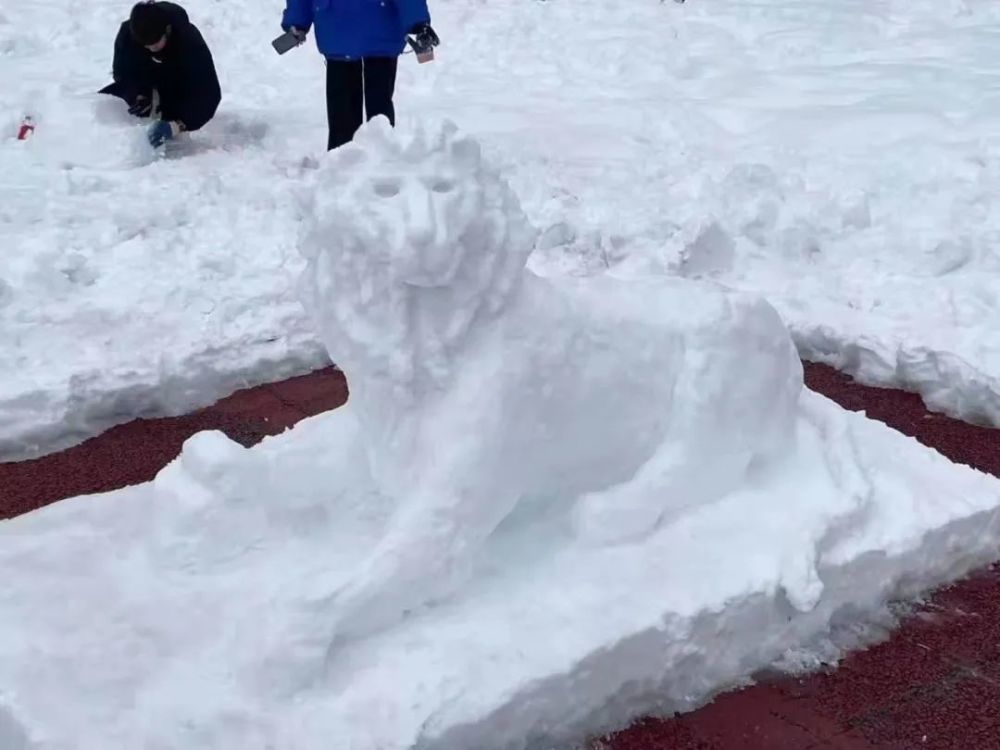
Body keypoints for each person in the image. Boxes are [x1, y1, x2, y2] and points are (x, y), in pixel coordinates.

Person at [280, 0, 439, 151]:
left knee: (348, 112)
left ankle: (344, 159)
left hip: (342, 29)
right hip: (373, 28)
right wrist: (419, 23)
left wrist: (297, 21)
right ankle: (379, 157)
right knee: (377, 109)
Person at [99, 1, 221, 148]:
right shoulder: (128, 34)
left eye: (155, 44)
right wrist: (138, 94)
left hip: (179, 91)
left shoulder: (190, 42)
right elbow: (122, 73)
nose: (150, 48)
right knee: (107, 102)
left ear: (167, 31)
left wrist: (178, 125)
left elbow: (209, 94)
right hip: (146, 84)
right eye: (146, 45)